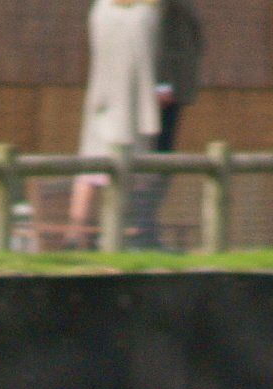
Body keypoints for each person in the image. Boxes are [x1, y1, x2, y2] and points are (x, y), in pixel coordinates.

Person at [70, 0, 161, 248]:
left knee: (96, 168)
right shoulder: (141, 14)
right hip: (120, 104)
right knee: (101, 168)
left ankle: (90, 235)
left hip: (112, 101)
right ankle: (86, 235)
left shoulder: (103, 10)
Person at [133, 0, 203, 249]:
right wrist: (162, 83)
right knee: (157, 161)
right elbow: (158, 36)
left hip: (176, 88)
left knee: (163, 161)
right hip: (165, 91)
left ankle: (146, 225)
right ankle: (142, 229)